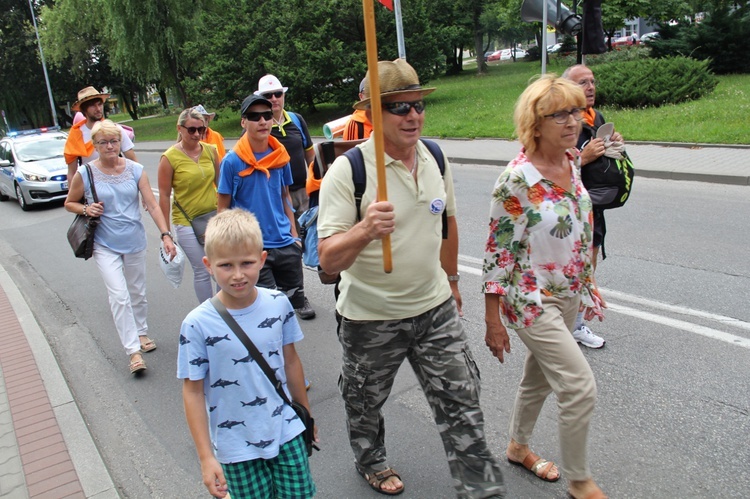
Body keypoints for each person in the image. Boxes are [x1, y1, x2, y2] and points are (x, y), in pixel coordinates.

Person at [317, 58, 506, 498]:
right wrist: (365, 229)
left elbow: (448, 224)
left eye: (419, 105)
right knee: (364, 403)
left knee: (462, 402)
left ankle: (481, 488)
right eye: (400, 107)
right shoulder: (349, 172)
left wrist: (453, 281)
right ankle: (372, 460)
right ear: (370, 113)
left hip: (435, 309)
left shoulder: (436, 156)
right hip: (371, 318)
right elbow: (327, 261)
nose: (414, 116)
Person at [482, 75, 607, 499]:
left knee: (538, 380)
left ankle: (518, 446)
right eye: (560, 114)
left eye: (576, 111)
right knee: (577, 385)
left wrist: (588, 285)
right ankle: (580, 481)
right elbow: (498, 252)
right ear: (535, 123)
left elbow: (577, 229)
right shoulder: (516, 180)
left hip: (567, 292)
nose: (573, 121)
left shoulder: (571, 161)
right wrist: (492, 320)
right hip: (531, 300)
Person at [179, 209, 317, 499]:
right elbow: (192, 392)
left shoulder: (278, 303)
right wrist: (206, 457)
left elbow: (290, 361)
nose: (238, 274)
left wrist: (306, 415)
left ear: (262, 260)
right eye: (226, 265)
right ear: (208, 265)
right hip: (236, 446)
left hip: (286, 430)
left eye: (247, 263)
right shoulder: (197, 324)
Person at [64, 119, 176, 375]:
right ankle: (133, 351)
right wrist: (86, 208)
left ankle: (142, 332)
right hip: (104, 243)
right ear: (95, 145)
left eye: (114, 141)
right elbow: (69, 202)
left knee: (137, 291)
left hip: (134, 240)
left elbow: (152, 204)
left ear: (120, 142)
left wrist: (165, 234)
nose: (110, 146)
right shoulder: (86, 173)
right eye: (103, 142)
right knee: (119, 295)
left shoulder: (136, 169)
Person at [217, 94, 314, 321]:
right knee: (266, 315)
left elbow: (284, 196)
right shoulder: (232, 162)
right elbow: (223, 209)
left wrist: (294, 236)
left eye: (267, 115)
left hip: (285, 243)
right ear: (243, 122)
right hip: (253, 247)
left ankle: (285, 353)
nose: (262, 121)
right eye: (254, 116)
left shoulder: (280, 156)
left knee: (290, 310)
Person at [563, 64, 625, 349]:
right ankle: (567, 323)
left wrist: (614, 144)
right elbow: (548, 168)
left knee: (589, 263)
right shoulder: (561, 122)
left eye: (592, 81)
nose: (590, 87)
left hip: (593, 205)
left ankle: (575, 322)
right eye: (582, 82)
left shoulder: (594, 117)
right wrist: (583, 158)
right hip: (567, 210)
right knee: (570, 267)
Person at [254, 74, 316, 319]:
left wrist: (318, 185)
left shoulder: (296, 120)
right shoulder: (261, 125)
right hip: (277, 195)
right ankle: (296, 296)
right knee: (288, 242)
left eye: (277, 93)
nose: (274, 99)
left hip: (302, 190)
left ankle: (295, 292)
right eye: (268, 95)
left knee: (302, 242)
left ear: (283, 95)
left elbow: (310, 156)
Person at [158, 108, 220, 303]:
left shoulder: (211, 151)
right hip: (185, 220)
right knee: (202, 269)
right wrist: (165, 233)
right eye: (191, 130)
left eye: (201, 130)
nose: (196, 134)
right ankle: (209, 315)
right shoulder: (169, 158)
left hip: (212, 217)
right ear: (180, 128)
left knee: (220, 266)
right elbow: (164, 195)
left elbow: (222, 186)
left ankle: (225, 310)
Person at [64, 86, 137, 184]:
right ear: (84, 110)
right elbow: (72, 172)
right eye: (93, 106)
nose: (98, 109)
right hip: (91, 188)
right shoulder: (76, 135)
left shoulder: (114, 129)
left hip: (117, 182)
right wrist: (73, 197)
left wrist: (142, 188)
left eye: (99, 104)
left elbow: (133, 161)